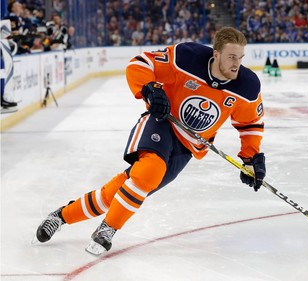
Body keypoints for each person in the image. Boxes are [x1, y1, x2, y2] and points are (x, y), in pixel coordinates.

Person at [33, 27, 266, 256]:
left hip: (188, 147)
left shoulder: (247, 85)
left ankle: (60, 216)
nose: (237, 64)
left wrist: (251, 158)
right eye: (231, 57)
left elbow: (251, 124)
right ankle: (107, 230)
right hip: (161, 122)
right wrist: (149, 89)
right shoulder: (187, 57)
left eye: (240, 57)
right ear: (216, 54)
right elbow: (140, 63)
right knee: (149, 173)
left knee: (118, 193)